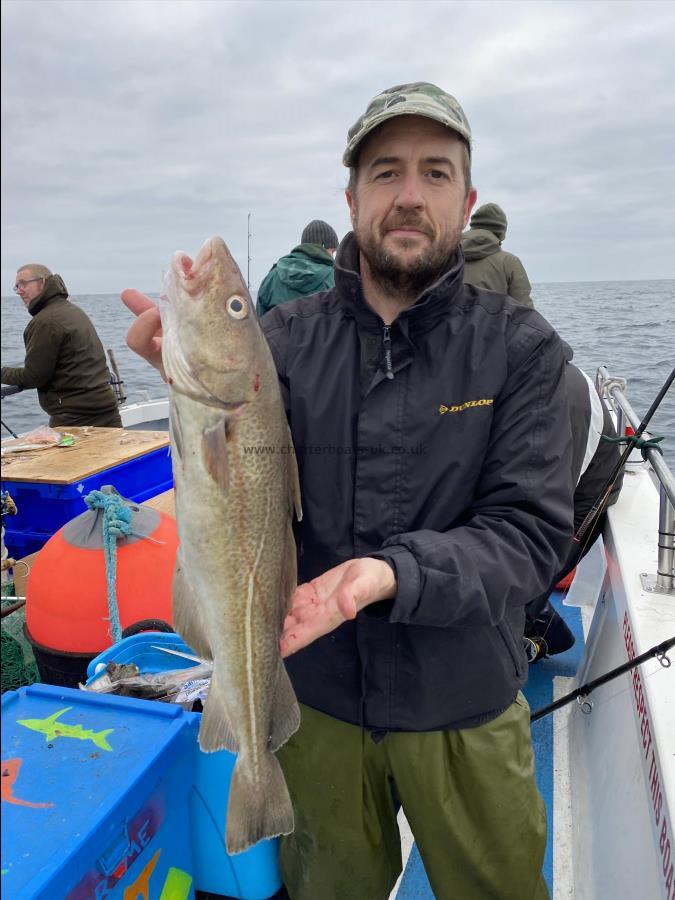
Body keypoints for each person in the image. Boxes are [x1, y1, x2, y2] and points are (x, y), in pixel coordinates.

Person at [123, 82, 574, 899]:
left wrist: (387, 573)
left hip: (464, 702)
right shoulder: (282, 343)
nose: (409, 195)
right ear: (351, 196)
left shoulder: (523, 352)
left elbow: (529, 536)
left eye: (434, 174)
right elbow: (236, 489)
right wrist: (191, 398)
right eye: (385, 171)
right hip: (317, 701)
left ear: (465, 200)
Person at [524, 347, 623, 660]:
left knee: (512, 584)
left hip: (578, 507)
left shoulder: (561, 394)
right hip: (540, 496)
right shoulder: (510, 381)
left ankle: (538, 636)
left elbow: (547, 502)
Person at [2, 265, 122, 428]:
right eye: (17, 286)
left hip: (77, 417)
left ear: (42, 282)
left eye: (23, 284)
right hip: (105, 407)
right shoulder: (72, 310)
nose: (19, 291)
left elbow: (34, 376)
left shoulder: (46, 321)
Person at [256, 220, 339, 317]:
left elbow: (258, 325)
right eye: (332, 251)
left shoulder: (271, 279)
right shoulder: (335, 279)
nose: (333, 257)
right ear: (323, 247)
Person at [461, 202, 533, 306]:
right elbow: (525, 312)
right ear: (501, 232)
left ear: (474, 226)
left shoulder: (446, 257)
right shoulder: (509, 262)